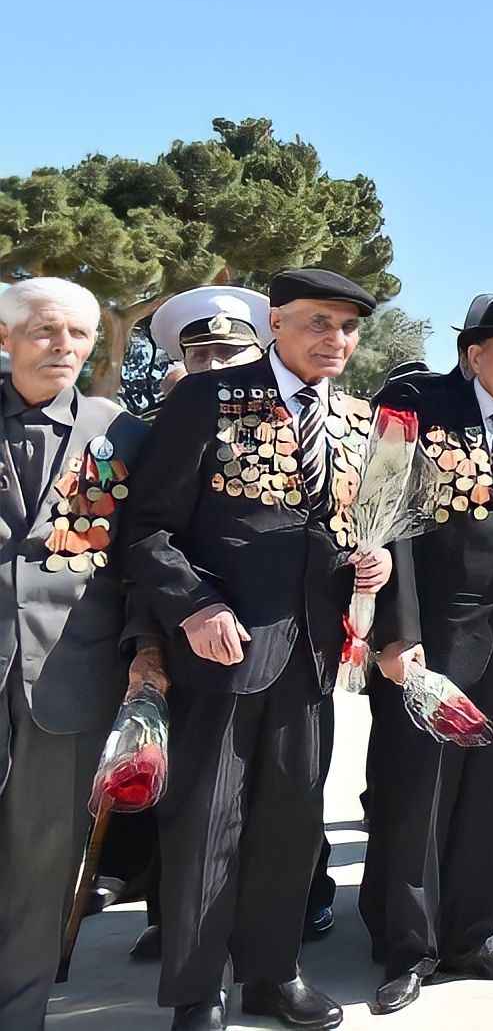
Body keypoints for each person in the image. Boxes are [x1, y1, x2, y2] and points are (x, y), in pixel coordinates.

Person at [122, 268, 386, 1031]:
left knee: (293, 821)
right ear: (275, 323)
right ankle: (197, 992)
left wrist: (378, 561)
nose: (335, 338)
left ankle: (272, 975)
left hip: (312, 658)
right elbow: (146, 528)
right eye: (317, 322)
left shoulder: (357, 418)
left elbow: (364, 524)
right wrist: (195, 605)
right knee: (207, 822)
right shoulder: (208, 397)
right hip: (221, 650)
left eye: (347, 326)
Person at [359, 297, 493, 1015]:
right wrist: (396, 631)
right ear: (472, 354)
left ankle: (472, 936)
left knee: (488, 801)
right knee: (418, 799)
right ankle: (408, 950)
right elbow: (383, 523)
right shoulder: (416, 408)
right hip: (433, 642)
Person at [0, 278, 160, 1029]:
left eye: (80, 334)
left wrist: (145, 652)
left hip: (63, 678)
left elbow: (141, 557)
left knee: (41, 865)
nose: (63, 346)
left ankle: (19, 1012)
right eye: (44, 330)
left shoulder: (122, 432)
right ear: (6, 337)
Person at [102, 286, 276, 964]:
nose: (215, 367)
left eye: (230, 352)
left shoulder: (281, 429)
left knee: (272, 794)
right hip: (178, 636)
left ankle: (284, 909)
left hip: (273, 641)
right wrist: (147, 645)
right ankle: (173, 919)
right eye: (200, 355)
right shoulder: (150, 432)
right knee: (184, 794)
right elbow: (139, 545)